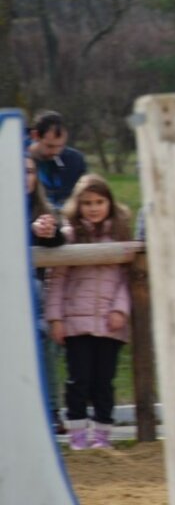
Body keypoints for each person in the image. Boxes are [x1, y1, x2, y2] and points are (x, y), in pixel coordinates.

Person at [43, 174, 133, 450]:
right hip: (76, 322)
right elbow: (56, 279)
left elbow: (127, 278)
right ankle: (78, 434)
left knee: (103, 381)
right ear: (77, 206)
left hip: (110, 322)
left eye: (99, 202)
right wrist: (56, 318)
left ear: (109, 203)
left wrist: (121, 309)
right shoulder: (70, 236)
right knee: (78, 380)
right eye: (87, 203)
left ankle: (102, 435)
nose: (93, 208)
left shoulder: (120, 236)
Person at [27, 154, 66, 434]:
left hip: (33, 300)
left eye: (29, 171)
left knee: (45, 340)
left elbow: (59, 241)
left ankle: (51, 410)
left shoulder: (42, 208)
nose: (23, 177)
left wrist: (48, 231)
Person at [27, 110, 88, 209]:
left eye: (60, 146)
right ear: (35, 136)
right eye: (50, 146)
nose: (56, 152)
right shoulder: (20, 162)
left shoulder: (75, 161)